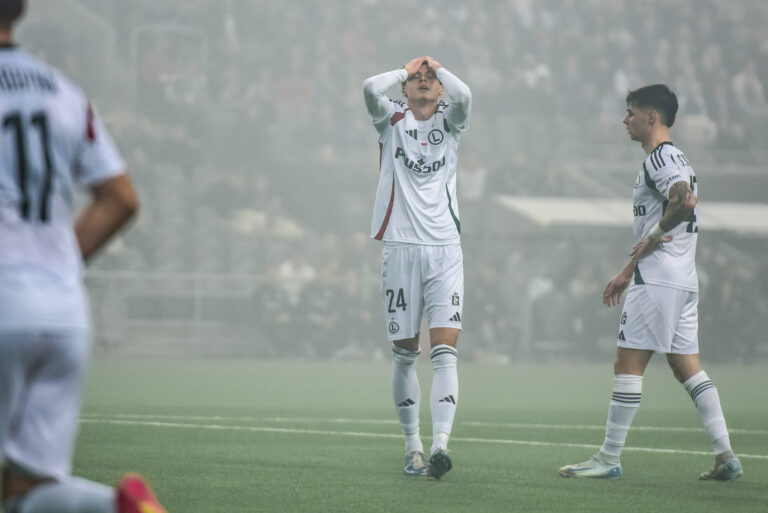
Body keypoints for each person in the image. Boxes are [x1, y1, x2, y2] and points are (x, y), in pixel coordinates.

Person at [0, 2, 167, 512]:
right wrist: (55, 266)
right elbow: (121, 198)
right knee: (29, 490)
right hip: (61, 307)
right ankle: (116, 508)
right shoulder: (63, 92)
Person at [558, 84, 742, 481]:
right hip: (681, 279)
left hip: (658, 281)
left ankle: (608, 457)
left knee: (627, 364)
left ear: (651, 117)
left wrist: (655, 235)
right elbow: (677, 207)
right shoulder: (677, 158)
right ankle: (725, 454)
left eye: (630, 112)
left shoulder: (661, 157)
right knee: (687, 367)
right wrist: (627, 271)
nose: (625, 120)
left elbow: (684, 200)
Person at [362, 56, 471, 479]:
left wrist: (438, 68)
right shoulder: (390, 119)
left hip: (445, 249)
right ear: (404, 88)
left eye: (430, 79)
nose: (424, 81)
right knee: (406, 355)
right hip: (401, 248)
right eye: (416, 79)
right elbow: (370, 86)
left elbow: (466, 95)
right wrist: (407, 69)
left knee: (445, 352)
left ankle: (441, 445)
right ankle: (413, 448)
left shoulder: (453, 121)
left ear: (441, 87)